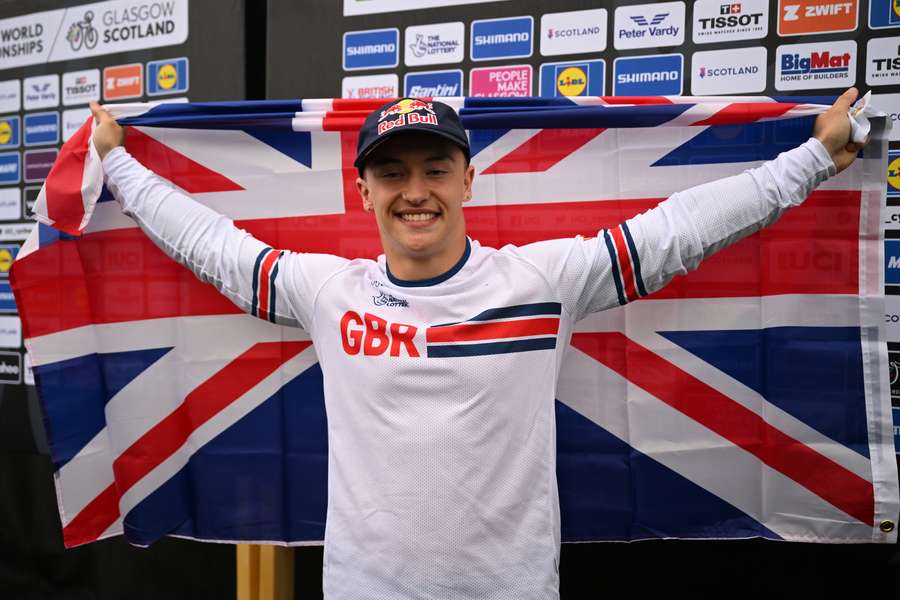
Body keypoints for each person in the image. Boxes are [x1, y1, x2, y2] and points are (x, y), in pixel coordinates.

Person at [88, 89, 866, 600]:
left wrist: (810, 159)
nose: (414, 190)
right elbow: (210, 245)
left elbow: (678, 232)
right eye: (391, 173)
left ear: (468, 181)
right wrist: (118, 162)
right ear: (362, 192)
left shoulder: (541, 280)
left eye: (434, 168)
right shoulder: (329, 291)